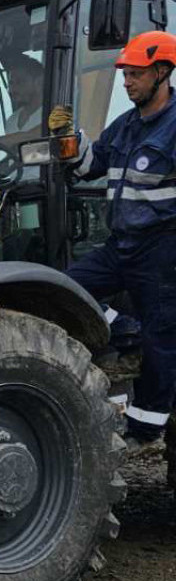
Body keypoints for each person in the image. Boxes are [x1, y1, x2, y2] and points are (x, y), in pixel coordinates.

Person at [66, 31, 176, 450]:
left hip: (164, 246)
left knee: (162, 340)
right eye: (126, 74)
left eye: (135, 74)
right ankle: (124, 332)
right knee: (69, 286)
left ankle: (146, 428)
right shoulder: (127, 126)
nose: (127, 82)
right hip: (123, 243)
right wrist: (71, 145)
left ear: (161, 72)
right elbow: (93, 164)